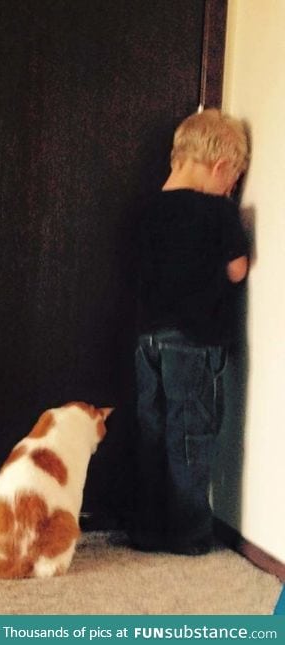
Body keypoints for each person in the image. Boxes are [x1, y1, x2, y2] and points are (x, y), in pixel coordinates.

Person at [132, 109, 250, 555]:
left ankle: (146, 529)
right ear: (220, 168)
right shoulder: (216, 211)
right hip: (194, 343)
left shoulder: (145, 209)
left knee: (152, 429)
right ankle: (188, 532)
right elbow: (237, 271)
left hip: (147, 340)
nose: (231, 189)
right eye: (233, 180)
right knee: (190, 433)